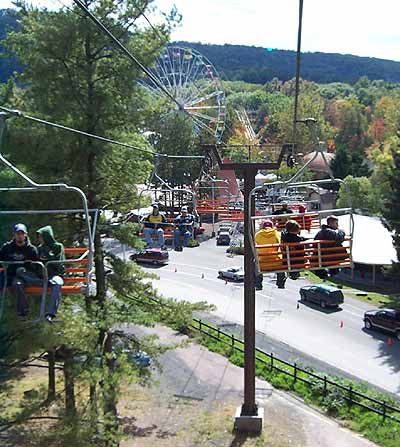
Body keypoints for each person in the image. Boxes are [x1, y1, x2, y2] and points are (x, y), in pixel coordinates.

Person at [0, 223, 40, 317]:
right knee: (16, 283)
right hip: (11, 275)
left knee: (18, 284)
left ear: (25, 234)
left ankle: (23, 311)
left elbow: (36, 266)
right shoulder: (7, 248)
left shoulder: (31, 249)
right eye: (18, 234)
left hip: (25, 276)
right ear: (14, 235)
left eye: (22, 234)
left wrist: (27, 266)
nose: (20, 236)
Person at [36, 226, 65, 323]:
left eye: (40, 236)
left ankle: (51, 313)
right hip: (42, 276)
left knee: (57, 284)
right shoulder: (39, 248)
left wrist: (48, 259)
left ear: (46, 236)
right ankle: (25, 312)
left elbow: (58, 262)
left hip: (54, 275)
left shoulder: (58, 247)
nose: (39, 239)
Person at [255, 220, 286, 288]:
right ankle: (280, 283)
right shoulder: (277, 233)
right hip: (276, 262)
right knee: (281, 259)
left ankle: (258, 284)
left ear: (263, 227)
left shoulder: (258, 234)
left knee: (255, 262)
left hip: (262, 263)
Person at [314, 215, 346, 279]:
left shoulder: (321, 232)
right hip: (329, 258)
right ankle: (331, 272)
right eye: (336, 223)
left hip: (323, 257)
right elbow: (339, 238)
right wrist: (342, 231)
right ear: (330, 223)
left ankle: (327, 273)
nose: (338, 225)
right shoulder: (328, 232)